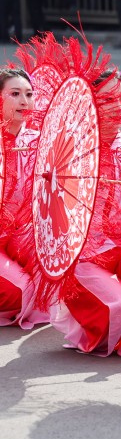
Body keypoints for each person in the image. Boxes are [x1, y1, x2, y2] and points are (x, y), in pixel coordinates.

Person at [49, 71, 121, 357]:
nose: (117, 107)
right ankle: (97, 330)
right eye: (107, 100)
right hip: (84, 254)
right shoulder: (73, 151)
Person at [0, 69, 46, 328]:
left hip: (23, 235)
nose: (24, 101)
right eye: (15, 94)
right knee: (20, 291)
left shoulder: (41, 142)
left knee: (57, 271)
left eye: (29, 94)